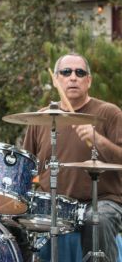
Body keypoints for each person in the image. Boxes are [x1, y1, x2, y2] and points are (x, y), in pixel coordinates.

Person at [23, 52, 122, 261]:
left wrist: (100, 141)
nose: (73, 77)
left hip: (102, 200)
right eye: (66, 72)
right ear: (56, 79)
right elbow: (26, 165)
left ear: (89, 80)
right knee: (14, 220)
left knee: (98, 219)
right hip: (51, 202)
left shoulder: (109, 113)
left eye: (80, 72)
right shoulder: (40, 118)